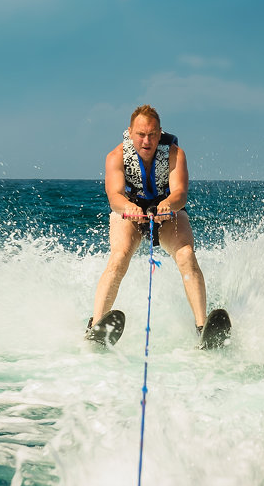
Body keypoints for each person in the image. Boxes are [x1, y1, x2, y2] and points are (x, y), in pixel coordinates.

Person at [89, 104, 208, 336]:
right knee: (119, 256)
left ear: (160, 133)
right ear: (130, 132)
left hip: (166, 211)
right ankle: (95, 326)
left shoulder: (174, 154)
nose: (147, 141)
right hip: (131, 213)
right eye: (141, 134)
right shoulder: (116, 156)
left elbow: (180, 194)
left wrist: (168, 205)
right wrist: (129, 207)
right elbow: (114, 197)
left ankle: (202, 327)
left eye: (152, 135)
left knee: (186, 254)